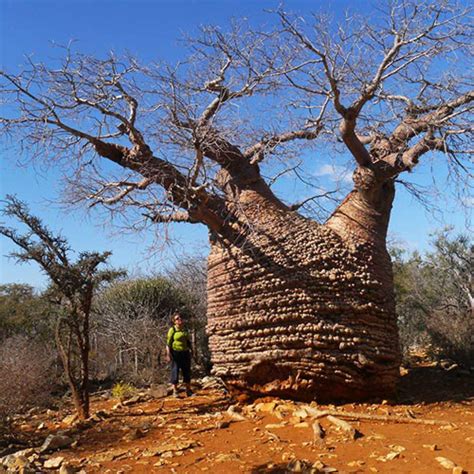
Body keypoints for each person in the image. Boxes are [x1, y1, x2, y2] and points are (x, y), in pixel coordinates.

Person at [166, 312, 194, 397]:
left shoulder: (184, 330)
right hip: (175, 353)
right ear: (174, 321)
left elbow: (188, 342)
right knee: (175, 371)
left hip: (185, 353)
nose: (179, 320)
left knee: (186, 371)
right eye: (177, 319)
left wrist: (192, 351)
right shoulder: (172, 330)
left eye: (180, 318)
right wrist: (168, 354)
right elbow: (168, 343)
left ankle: (188, 391)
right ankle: (175, 391)